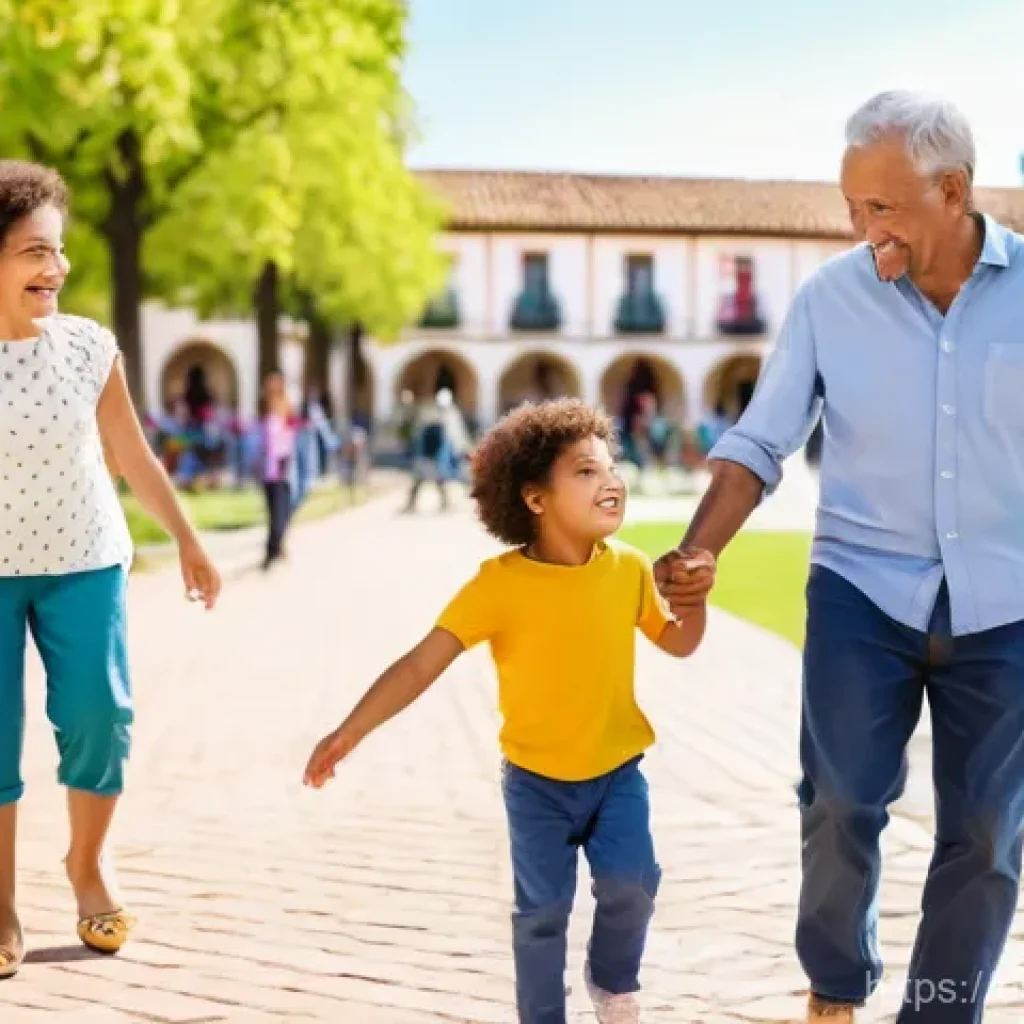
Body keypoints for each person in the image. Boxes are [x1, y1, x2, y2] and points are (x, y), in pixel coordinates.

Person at [654, 90, 1024, 1024]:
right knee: (842, 799)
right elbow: (759, 440)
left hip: (1009, 601)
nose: (863, 230)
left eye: (882, 209)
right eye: (852, 208)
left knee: (985, 834)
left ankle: (941, 1009)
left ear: (954, 189)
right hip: (864, 588)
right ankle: (836, 982)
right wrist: (697, 552)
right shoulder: (832, 296)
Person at [304, 399, 707, 1024]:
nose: (610, 483)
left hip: (617, 773)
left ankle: (612, 980)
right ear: (535, 499)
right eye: (584, 472)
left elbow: (679, 640)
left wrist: (695, 598)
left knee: (632, 882)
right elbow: (419, 665)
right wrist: (349, 732)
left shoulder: (626, 569)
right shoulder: (497, 585)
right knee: (541, 913)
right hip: (536, 786)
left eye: (609, 469)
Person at [0, 160, 221, 977]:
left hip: (84, 560)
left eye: (57, 252)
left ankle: (87, 865)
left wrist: (190, 540)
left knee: (100, 716)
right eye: (32, 253)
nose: (54, 269)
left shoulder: (90, 347)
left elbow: (130, 453)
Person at [256, 370, 297, 571]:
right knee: (273, 511)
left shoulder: (287, 409)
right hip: (267, 470)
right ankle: (273, 549)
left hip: (282, 470)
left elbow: (290, 440)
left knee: (282, 511)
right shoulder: (263, 411)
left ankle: (275, 548)